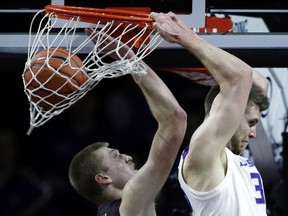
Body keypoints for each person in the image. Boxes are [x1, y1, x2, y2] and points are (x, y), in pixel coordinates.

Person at [150, 12, 270, 215]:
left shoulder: (230, 159)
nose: (253, 133)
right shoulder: (205, 153)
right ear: (231, 111)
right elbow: (242, 76)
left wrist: (192, 37)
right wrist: (185, 37)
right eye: (251, 122)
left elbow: (261, 84)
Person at [68, 27, 187, 215]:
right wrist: (130, 59)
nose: (128, 157)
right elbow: (175, 118)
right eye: (116, 156)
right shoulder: (132, 198)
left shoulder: (106, 211)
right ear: (103, 178)